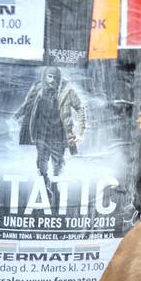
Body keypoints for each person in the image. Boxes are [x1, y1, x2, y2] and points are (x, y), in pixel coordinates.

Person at [15, 66, 86, 209]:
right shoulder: (38, 88)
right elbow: (27, 105)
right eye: (49, 76)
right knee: (41, 164)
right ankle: (46, 187)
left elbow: (80, 108)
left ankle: (54, 187)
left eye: (55, 77)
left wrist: (80, 131)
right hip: (41, 134)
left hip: (59, 136)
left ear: (59, 78)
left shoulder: (67, 91)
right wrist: (14, 117)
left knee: (58, 165)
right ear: (45, 76)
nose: (52, 80)